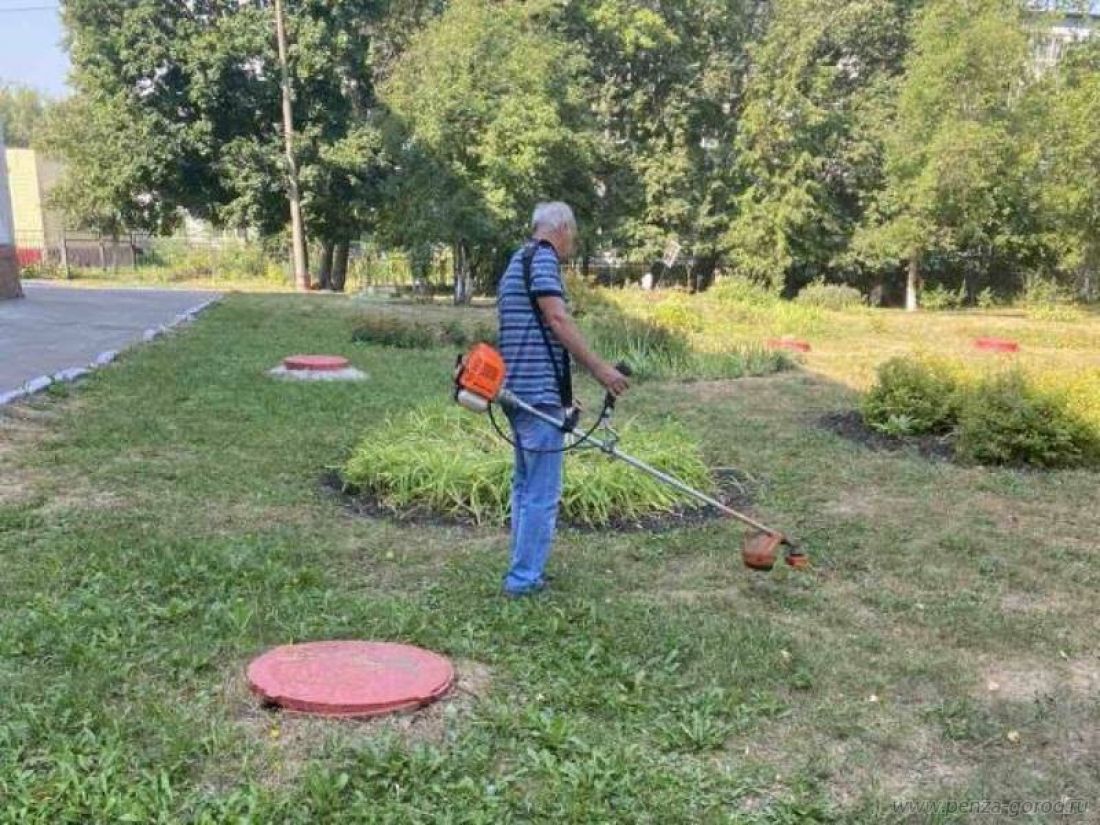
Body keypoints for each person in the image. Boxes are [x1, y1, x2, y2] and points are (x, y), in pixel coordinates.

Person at [496, 202, 630, 598]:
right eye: (573, 233)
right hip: (536, 393)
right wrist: (601, 370)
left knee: (524, 485)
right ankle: (523, 580)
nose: (573, 241)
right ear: (563, 228)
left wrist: (564, 397)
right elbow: (557, 320)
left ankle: (524, 570)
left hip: (517, 388)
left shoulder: (517, 260)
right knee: (541, 491)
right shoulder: (543, 261)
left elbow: (533, 327)